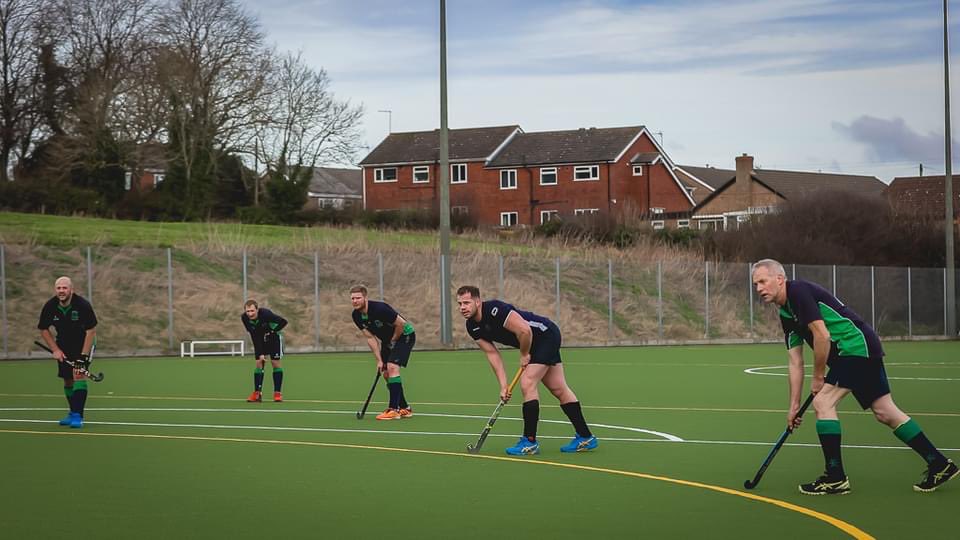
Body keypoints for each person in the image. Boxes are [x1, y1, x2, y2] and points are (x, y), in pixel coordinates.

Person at [752, 259, 957, 494]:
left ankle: (835, 477)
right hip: (855, 351)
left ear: (779, 279)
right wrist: (794, 407)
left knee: (823, 402)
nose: (759, 288)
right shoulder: (786, 312)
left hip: (856, 348)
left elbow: (822, 335)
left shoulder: (798, 292)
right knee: (885, 411)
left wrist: (819, 376)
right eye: (756, 284)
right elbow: (795, 361)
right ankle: (939, 464)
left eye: (763, 281)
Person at [456, 285, 598, 456]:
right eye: (459, 304)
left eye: (466, 303)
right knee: (559, 388)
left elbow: (525, 330)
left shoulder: (495, 309)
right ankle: (585, 437)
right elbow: (492, 354)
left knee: (527, 382)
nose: (462, 307)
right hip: (534, 343)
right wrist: (503, 386)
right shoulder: (472, 326)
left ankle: (529, 442)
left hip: (545, 335)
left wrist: (524, 354)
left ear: (478, 302)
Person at [37, 276, 97, 429]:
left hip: (84, 343)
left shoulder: (82, 305)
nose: (61, 291)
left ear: (71, 289)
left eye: (64, 288)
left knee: (78, 374)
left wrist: (82, 357)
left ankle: (78, 415)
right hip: (63, 344)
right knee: (67, 379)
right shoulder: (50, 306)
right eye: (58, 288)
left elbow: (91, 331)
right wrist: (55, 350)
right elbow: (43, 329)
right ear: (55, 290)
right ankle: (72, 412)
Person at [350, 285, 416, 420]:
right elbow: (370, 338)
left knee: (392, 367)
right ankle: (404, 407)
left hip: (405, 335)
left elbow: (401, 324)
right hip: (388, 340)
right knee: (386, 373)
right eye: (352, 298)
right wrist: (379, 360)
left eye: (358, 298)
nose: (355, 301)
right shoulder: (356, 315)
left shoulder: (380, 309)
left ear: (365, 298)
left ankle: (393, 409)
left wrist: (393, 340)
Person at [241, 300, 288, 402]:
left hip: (274, 337)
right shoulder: (244, 318)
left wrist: (272, 331)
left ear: (257, 310)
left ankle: (277, 393)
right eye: (247, 311)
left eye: (252, 311)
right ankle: (257, 393)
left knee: (275, 363)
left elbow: (284, 322)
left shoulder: (266, 314)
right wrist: (260, 353)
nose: (250, 314)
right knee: (259, 363)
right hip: (260, 338)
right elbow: (254, 335)